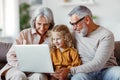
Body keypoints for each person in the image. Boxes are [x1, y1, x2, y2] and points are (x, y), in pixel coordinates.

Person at [51, 5, 120, 80]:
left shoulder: (106, 35)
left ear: (87, 20)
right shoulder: (73, 33)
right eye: (71, 24)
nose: (74, 28)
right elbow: (56, 38)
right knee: (78, 78)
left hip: (106, 70)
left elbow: (98, 63)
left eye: (75, 23)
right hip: (84, 72)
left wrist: (70, 70)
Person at [0, 7, 54, 80]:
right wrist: (22, 66)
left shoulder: (53, 37)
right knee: (19, 76)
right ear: (34, 22)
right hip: (16, 68)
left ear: (50, 24)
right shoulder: (24, 34)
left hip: (39, 71)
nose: (42, 28)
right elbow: (10, 55)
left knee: (40, 77)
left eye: (45, 24)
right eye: (39, 24)